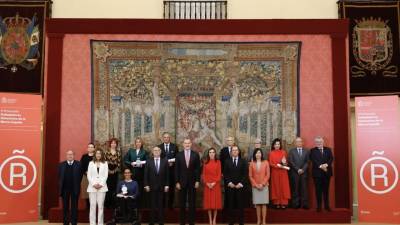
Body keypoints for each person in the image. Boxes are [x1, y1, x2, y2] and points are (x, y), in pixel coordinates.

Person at [175, 138, 201, 225]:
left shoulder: (195, 155)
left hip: (192, 182)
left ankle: (191, 221)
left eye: (188, 143)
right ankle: (182, 222)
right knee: (181, 203)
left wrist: (197, 181)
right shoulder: (178, 155)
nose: (187, 144)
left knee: (192, 203)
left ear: (191, 144)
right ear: (183, 144)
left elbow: (198, 169)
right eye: (185, 143)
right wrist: (177, 182)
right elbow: (176, 170)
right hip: (181, 182)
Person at [144, 146, 170, 225]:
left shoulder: (165, 161)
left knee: (160, 205)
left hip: (162, 186)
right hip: (151, 187)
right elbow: (146, 174)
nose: (156, 151)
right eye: (154, 150)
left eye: (158, 150)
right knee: (152, 205)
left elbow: (167, 174)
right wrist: (146, 185)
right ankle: (152, 222)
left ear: (160, 152)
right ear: (152, 152)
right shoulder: (148, 161)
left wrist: (167, 185)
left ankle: (161, 222)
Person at [224, 146, 248, 225]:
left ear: (238, 152)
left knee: (240, 205)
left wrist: (240, 183)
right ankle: (231, 222)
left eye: (236, 150)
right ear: (231, 152)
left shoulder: (243, 161)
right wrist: (229, 183)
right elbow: (225, 174)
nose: (234, 152)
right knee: (231, 205)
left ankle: (241, 222)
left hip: (240, 187)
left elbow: (245, 174)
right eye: (233, 150)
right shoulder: (227, 161)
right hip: (230, 187)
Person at [310, 136, 333, 212]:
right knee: (318, 190)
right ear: (315, 143)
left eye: (320, 142)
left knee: (326, 190)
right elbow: (313, 160)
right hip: (317, 174)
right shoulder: (312, 150)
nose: (319, 143)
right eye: (317, 142)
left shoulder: (328, 149)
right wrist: (321, 166)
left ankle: (327, 206)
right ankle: (319, 206)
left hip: (327, 173)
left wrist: (326, 165)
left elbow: (331, 159)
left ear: (323, 142)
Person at [59, 150, 82, 225]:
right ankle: (65, 222)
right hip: (65, 189)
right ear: (66, 156)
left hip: (75, 189)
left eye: (71, 154)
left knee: (74, 207)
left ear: (73, 156)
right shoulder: (61, 165)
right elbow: (59, 177)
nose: (70, 156)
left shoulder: (78, 164)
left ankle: (74, 222)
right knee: (65, 207)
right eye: (68, 154)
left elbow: (80, 176)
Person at [124, 137, 148, 208]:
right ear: (135, 143)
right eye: (137, 142)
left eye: (139, 142)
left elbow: (148, 162)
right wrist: (131, 163)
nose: (138, 143)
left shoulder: (145, 152)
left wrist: (142, 164)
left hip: (141, 174)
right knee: (131, 189)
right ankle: (131, 205)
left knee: (140, 190)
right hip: (132, 174)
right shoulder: (131, 151)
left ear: (142, 143)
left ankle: (139, 206)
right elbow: (125, 160)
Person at [249, 148, 270, 225]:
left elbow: (268, 174)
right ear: (254, 154)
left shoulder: (266, 162)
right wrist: (256, 184)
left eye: (259, 153)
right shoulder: (252, 163)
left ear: (261, 154)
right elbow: (250, 176)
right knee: (257, 204)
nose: (258, 154)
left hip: (264, 186)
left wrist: (262, 184)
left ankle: (264, 221)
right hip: (255, 186)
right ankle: (258, 221)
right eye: (257, 153)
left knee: (264, 204)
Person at [87, 149, 108, 225]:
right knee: (92, 206)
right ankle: (92, 223)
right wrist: (94, 184)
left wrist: (101, 184)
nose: (98, 155)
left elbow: (106, 175)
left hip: (102, 188)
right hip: (92, 188)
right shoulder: (91, 163)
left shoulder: (105, 163)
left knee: (101, 206)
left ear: (102, 155)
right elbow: (89, 175)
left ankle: (100, 223)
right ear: (95, 154)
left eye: (100, 153)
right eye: (97, 153)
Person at [268, 138, 291, 209]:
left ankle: (284, 203)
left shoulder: (283, 152)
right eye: (276, 144)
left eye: (278, 144)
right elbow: (270, 163)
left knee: (283, 187)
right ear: (273, 145)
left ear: (280, 145)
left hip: (283, 172)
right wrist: (277, 166)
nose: (277, 145)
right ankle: (277, 203)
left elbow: (286, 162)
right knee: (276, 187)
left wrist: (284, 163)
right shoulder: (271, 153)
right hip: (275, 172)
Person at [288, 137, 310, 209]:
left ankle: (305, 204)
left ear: (302, 143)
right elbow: (291, 162)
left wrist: (303, 169)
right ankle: (296, 204)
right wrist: (298, 169)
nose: (299, 143)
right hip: (295, 173)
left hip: (304, 173)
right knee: (295, 189)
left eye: (300, 141)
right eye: (297, 142)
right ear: (295, 143)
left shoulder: (306, 151)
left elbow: (307, 162)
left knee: (304, 189)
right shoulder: (291, 151)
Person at [202, 148, 222, 225]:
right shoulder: (205, 162)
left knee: (215, 204)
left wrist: (214, 183)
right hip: (207, 186)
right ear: (208, 154)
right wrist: (207, 183)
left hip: (215, 185)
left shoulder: (218, 162)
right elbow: (204, 174)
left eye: (213, 152)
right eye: (210, 152)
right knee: (209, 204)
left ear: (215, 153)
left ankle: (214, 220)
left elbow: (219, 174)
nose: (212, 153)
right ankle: (210, 219)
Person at [158, 132, 178, 208]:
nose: (166, 138)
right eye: (165, 137)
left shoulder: (174, 147)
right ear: (163, 138)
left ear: (170, 138)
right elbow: (157, 159)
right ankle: (162, 206)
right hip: (162, 173)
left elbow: (177, 158)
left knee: (171, 189)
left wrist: (173, 163)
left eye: (168, 137)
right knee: (162, 190)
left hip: (171, 172)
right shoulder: (159, 147)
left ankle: (170, 206)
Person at [105, 138, 122, 209]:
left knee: (115, 188)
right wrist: (108, 170)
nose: (113, 144)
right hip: (107, 172)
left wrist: (114, 171)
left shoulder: (118, 152)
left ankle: (114, 204)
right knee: (108, 188)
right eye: (112, 143)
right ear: (110, 144)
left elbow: (119, 163)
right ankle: (107, 204)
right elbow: (104, 162)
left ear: (116, 144)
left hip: (115, 172)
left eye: (115, 143)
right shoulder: (106, 152)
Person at [80, 143, 95, 209]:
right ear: (87, 149)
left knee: (93, 191)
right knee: (86, 192)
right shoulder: (84, 156)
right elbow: (81, 166)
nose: (90, 148)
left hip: (94, 177)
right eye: (89, 147)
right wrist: (85, 172)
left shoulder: (96, 156)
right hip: (85, 176)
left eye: (92, 147)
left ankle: (93, 206)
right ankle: (88, 206)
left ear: (94, 149)